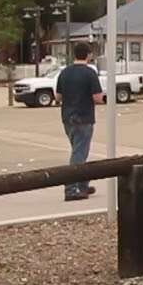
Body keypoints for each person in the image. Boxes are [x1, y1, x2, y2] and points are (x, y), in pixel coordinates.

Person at [55, 42, 104, 201]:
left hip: (67, 117)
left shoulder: (65, 73)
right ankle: (71, 188)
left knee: (78, 151)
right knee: (79, 153)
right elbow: (97, 98)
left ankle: (82, 183)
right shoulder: (90, 73)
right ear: (88, 55)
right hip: (84, 117)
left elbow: (58, 97)